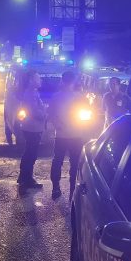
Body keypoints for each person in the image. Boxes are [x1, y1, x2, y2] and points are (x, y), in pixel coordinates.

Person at [48, 71, 88, 200]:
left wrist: (58, 125)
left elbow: (51, 114)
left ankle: (55, 188)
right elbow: (87, 115)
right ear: (74, 81)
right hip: (76, 135)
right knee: (75, 163)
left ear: (63, 81)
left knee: (57, 161)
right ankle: (72, 190)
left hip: (61, 135)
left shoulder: (56, 97)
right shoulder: (80, 97)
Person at [16, 70, 46, 192]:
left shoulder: (33, 92)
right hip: (32, 128)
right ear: (31, 80)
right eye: (38, 78)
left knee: (30, 153)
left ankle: (26, 178)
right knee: (30, 154)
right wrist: (45, 114)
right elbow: (34, 111)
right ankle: (25, 180)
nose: (40, 80)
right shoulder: (30, 94)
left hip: (33, 127)